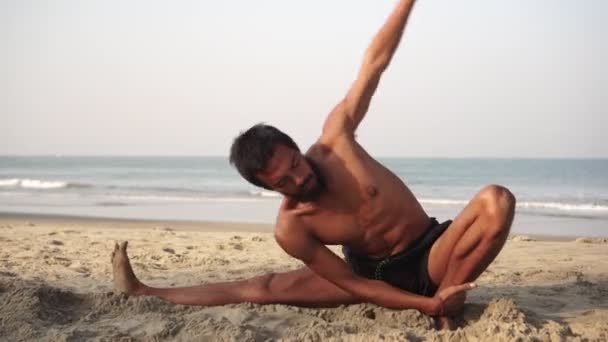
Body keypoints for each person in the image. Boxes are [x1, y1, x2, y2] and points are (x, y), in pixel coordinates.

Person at [111, 0, 515, 330]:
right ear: (270, 189)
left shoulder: (337, 140)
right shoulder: (292, 227)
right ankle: (144, 291)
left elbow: (375, 63)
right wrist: (417, 305)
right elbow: (353, 284)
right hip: (369, 277)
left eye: (295, 164)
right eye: (285, 182)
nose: (300, 177)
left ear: (296, 146)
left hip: (431, 253)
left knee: (496, 202)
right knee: (262, 287)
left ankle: (448, 298)